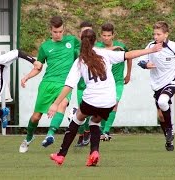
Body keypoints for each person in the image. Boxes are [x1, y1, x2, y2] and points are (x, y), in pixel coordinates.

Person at [48, 29, 162, 166]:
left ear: (81, 41)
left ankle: (61, 155)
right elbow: (129, 54)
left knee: (77, 119)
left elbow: (69, 85)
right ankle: (94, 153)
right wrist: (152, 50)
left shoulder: (80, 61)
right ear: (96, 41)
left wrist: (56, 103)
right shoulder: (105, 53)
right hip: (109, 100)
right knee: (95, 122)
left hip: (91, 99)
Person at [19, 16, 80, 153]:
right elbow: (38, 67)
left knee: (63, 104)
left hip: (65, 83)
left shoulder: (72, 41)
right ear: (50, 31)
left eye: (60, 31)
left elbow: (84, 53)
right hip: (47, 83)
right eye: (55, 32)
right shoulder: (45, 47)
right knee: (36, 116)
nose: (58, 34)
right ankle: (28, 138)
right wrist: (27, 77)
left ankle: (50, 135)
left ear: (63, 29)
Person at [137, 21, 175, 151]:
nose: (155, 37)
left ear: (166, 34)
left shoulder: (174, 46)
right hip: (157, 84)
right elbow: (140, 60)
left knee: (163, 100)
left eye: (158, 34)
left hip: (173, 81)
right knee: (160, 115)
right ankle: (168, 140)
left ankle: (170, 129)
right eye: (154, 34)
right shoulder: (151, 46)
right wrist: (145, 64)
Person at [96, 23, 133, 141]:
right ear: (101, 35)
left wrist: (128, 74)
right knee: (102, 105)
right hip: (103, 83)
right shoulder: (97, 47)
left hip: (117, 81)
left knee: (114, 103)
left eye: (108, 35)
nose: (106, 38)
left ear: (113, 35)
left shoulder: (121, 46)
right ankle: (100, 130)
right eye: (104, 35)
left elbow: (129, 57)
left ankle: (106, 131)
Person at [74, 21, 93, 147]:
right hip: (81, 86)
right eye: (84, 31)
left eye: (89, 31)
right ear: (79, 34)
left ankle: (87, 133)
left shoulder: (97, 49)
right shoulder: (76, 50)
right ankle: (81, 135)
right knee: (81, 112)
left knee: (91, 112)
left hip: (93, 86)